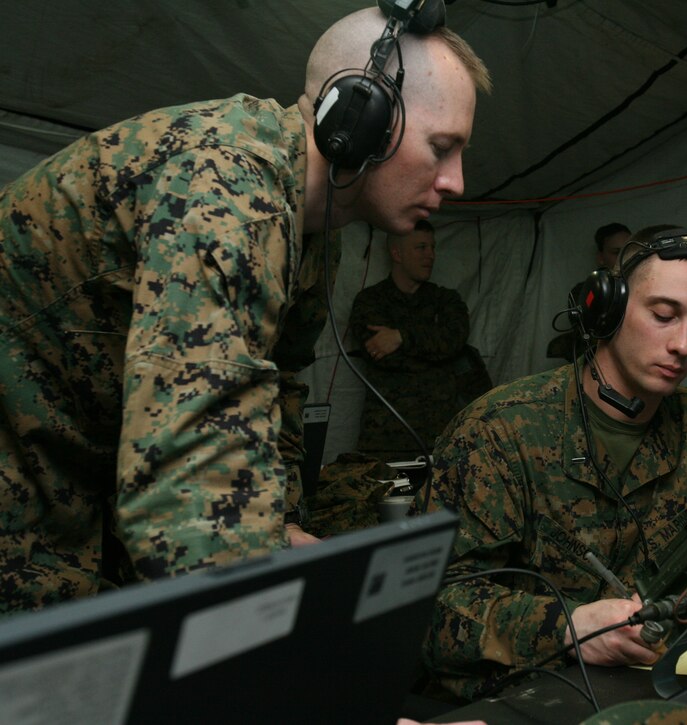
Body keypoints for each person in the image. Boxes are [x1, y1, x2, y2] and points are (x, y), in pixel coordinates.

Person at [0, 6, 491, 616]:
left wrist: (278, 530)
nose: (458, 182)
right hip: (28, 463)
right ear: (360, 122)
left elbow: (270, 389)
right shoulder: (225, 193)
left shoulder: (313, 230)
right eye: (441, 148)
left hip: (70, 455)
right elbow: (193, 472)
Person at [418, 225, 687, 701]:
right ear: (607, 308)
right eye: (664, 315)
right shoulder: (501, 431)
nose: (684, 345)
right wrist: (568, 627)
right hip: (526, 697)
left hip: (653, 690)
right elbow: (428, 611)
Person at [348, 219, 473, 461]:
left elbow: (453, 342)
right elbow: (383, 357)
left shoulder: (446, 300)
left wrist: (400, 337)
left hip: (441, 436)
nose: (431, 255)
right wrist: (434, 352)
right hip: (386, 439)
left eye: (433, 247)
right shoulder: (371, 301)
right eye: (421, 247)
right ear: (397, 253)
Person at [546, 222, 632, 362]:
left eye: (629, 250)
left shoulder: (650, 287)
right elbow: (590, 338)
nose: (624, 257)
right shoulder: (584, 293)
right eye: (616, 252)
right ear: (601, 258)